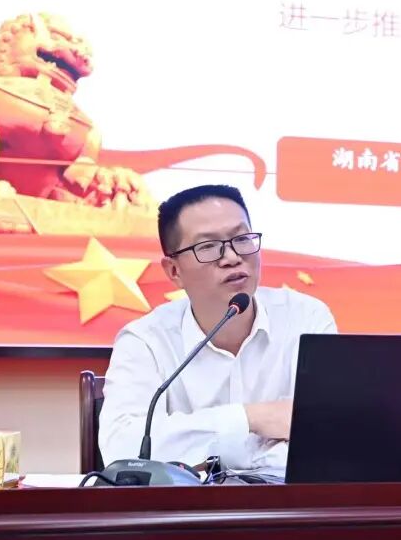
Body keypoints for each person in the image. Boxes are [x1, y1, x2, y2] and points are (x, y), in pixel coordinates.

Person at [98, 184, 337, 476]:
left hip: (287, 502)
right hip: (186, 504)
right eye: (208, 247)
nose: (232, 257)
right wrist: (251, 418)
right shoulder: (145, 341)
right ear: (174, 271)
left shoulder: (306, 319)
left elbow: (331, 435)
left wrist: (194, 449)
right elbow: (123, 448)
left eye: (242, 239)